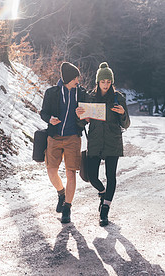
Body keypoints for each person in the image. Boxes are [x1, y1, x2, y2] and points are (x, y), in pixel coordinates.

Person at [76, 62, 130, 226]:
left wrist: (122, 113)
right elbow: (81, 124)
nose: (105, 85)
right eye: (103, 82)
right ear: (97, 82)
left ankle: (105, 210)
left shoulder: (118, 98)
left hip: (113, 141)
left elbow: (126, 124)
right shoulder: (90, 97)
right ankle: (102, 192)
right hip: (95, 141)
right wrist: (81, 117)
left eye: (108, 82)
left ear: (111, 82)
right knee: (92, 176)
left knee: (111, 176)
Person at [40, 62, 88, 223]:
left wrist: (83, 115)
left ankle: (67, 207)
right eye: (75, 78)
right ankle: (61, 193)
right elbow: (43, 113)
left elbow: (88, 116)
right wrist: (50, 119)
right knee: (51, 170)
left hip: (73, 137)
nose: (77, 81)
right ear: (68, 78)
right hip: (54, 137)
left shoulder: (81, 94)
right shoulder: (51, 93)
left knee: (70, 173)